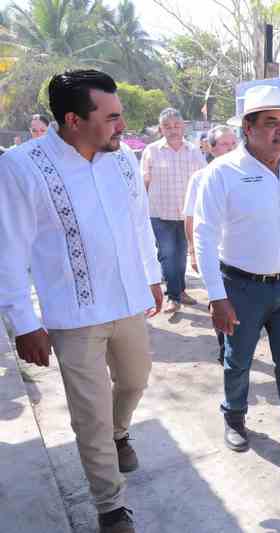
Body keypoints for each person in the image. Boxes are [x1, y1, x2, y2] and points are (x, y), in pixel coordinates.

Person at [0, 69, 162, 533]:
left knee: (134, 381)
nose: (122, 125)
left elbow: (138, 224)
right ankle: (110, 506)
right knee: (88, 415)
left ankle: (119, 432)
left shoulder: (123, 160)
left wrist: (151, 275)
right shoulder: (21, 166)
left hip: (128, 300)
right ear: (73, 119)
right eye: (111, 117)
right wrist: (24, 322)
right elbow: (8, 250)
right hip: (72, 315)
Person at [194, 85, 280, 474]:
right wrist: (216, 295)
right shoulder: (222, 173)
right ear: (248, 126)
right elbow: (204, 236)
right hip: (240, 287)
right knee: (237, 359)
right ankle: (234, 415)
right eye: (271, 123)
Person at [141, 108, 207, 313]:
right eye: (167, 126)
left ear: (183, 127)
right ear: (161, 128)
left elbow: (204, 181)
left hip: (186, 215)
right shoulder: (151, 150)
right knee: (167, 254)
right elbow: (144, 181)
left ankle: (181, 291)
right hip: (160, 213)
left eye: (177, 125)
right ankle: (173, 296)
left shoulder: (194, 151)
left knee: (181, 255)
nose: (173, 130)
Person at [183, 125, 238, 365]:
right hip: (213, 253)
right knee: (219, 299)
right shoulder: (200, 178)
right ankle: (224, 346)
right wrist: (193, 251)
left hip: (238, 255)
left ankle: (234, 346)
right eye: (225, 144)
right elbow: (190, 218)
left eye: (234, 143)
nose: (232, 148)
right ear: (212, 149)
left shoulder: (245, 174)